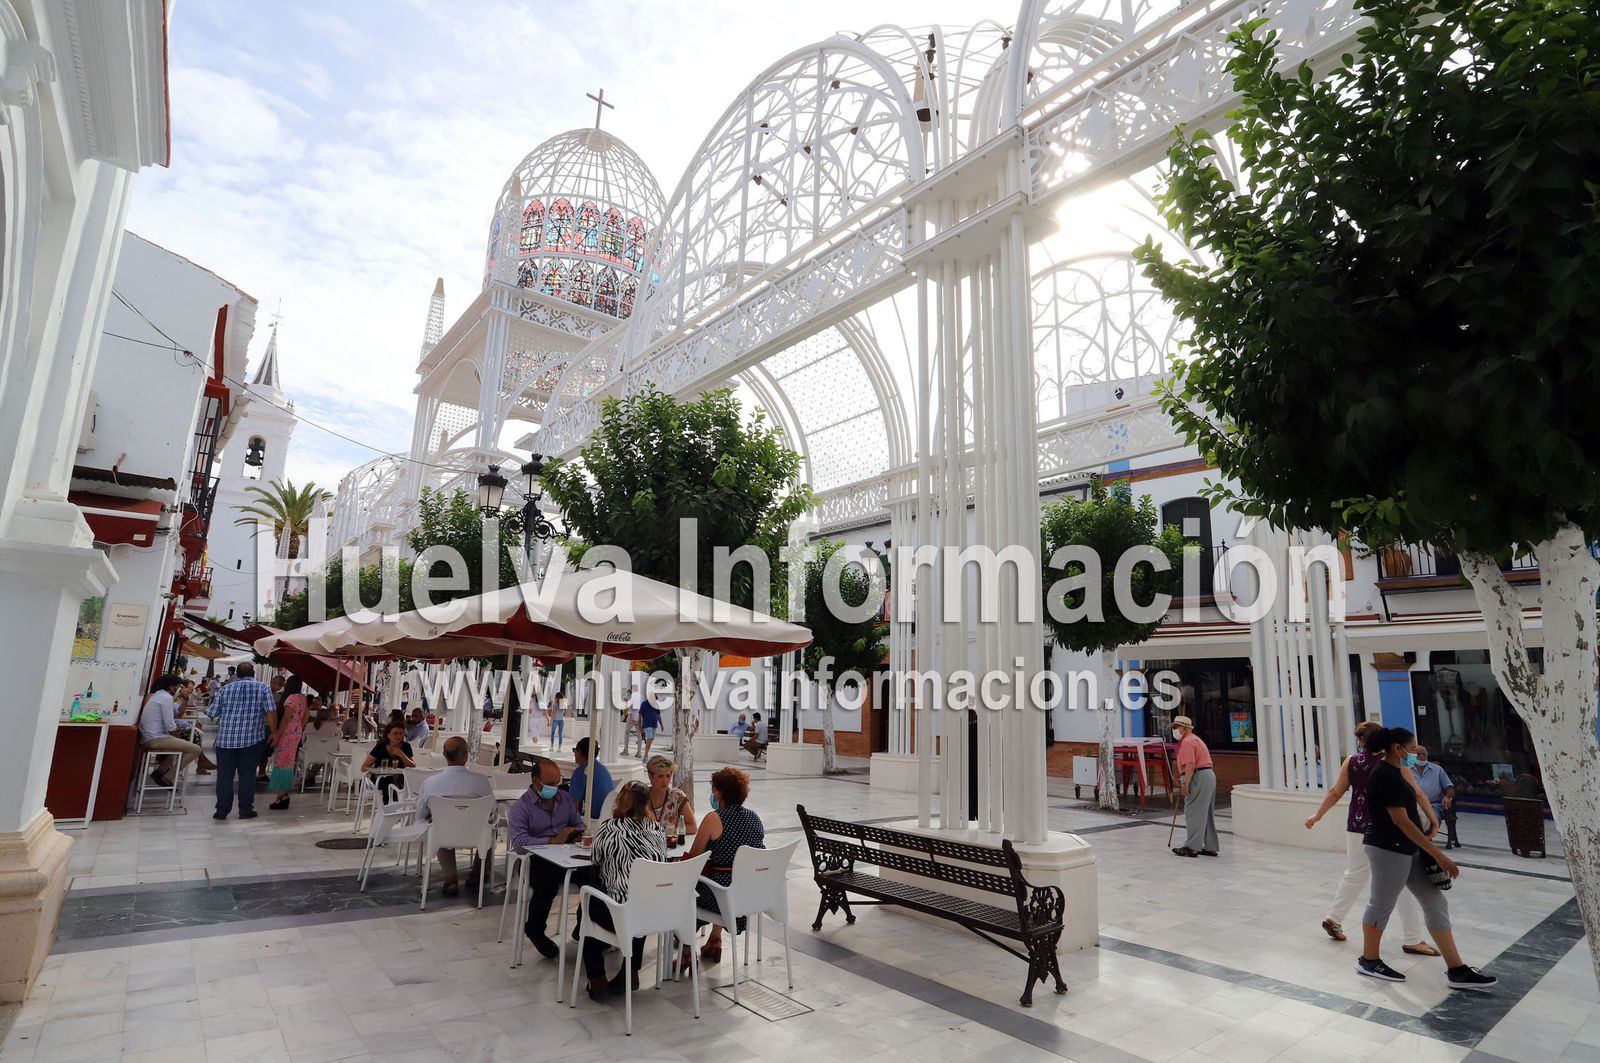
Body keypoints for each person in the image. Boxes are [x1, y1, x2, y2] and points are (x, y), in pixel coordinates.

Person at [1356, 727, 1496, 990]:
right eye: (1411, 749)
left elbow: (1413, 807)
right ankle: (1369, 959)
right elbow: (1401, 821)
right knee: (1381, 903)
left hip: (1408, 847)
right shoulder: (1385, 775)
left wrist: (1430, 824)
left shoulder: (1398, 771)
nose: (1415, 753)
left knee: (1435, 902)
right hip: (1388, 848)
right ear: (1397, 748)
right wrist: (1438, 854)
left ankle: (1457, 969)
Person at [1304, 721, 1438, 956]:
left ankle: (1334, 918)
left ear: (1361, 741)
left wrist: (1318, 815)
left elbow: (1336, 792)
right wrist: (1432, 818)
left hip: (1356, 826)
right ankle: (1412, 937)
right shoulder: (1392, 762)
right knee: (1401, 882)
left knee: (1355, 873)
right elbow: (1416, 790)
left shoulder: (1352, 761)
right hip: (1386, 829)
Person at [581, 780, 668, 1000]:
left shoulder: (609, 828)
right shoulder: (658, 830)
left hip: (617, 915)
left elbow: (595, 860)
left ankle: (597, 978)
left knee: (587, 906)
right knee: (639, 897)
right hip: (652, 915)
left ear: (619, 802)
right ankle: (631, 970)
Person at [507, 757, 587, 958]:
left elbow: (579, 824)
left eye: (558, 783)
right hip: (535, 860)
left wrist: (575, 833)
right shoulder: (521, 808)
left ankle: (585, 925)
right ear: (536, 782)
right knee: (547, 882)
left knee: (594, 875)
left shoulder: (564, 799)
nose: (555, 788)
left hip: (567, 856)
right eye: (550, 784)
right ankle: (535, 928)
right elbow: (519, 843)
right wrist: (553, 840)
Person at [686, 766, 764, 963]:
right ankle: (715, 940)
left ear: (719, 793)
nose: (712, 793)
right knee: (724, 876)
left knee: (685, 891)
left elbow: (694, 858)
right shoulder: (754, 817)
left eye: (713, 788)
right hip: (748, 893)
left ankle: (686, 949)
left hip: (721, 895)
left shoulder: (714, 819)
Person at [415, 735, 495, 896]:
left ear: (444, 755)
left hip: (443, 835)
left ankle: (451, 879)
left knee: (438, 824)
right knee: (490, 829)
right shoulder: (481, 782)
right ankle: (479, 874)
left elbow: (421, 814)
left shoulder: (431, 783)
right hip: (476, 834)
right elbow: (492, 810)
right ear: (466, 755)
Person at [205, 662, 277, 820]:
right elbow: (271, 711)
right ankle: (245, 810)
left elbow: (212, 712)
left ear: (236, 673)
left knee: (224, 776)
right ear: (253, 674)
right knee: (247, 775)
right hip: (252, 739)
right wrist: (274, 732)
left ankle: (221, 811)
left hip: (225, 740)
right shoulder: (263, 688)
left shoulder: (225, 689)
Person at [138, 675, 202, 789]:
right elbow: (170, 725)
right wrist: (176, 737)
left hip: (150, 736)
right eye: (178, 686)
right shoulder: (166, 698)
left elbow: (178, 713)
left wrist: (185, 699)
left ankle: (159, 773)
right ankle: (167, 777)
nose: (180, 689)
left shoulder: (161, 696)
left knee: (181, 746)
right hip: (154, 738)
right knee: (195, 749)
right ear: (171, 687)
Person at [1170, 715, 1218, 857]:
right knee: (1206, 812)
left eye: (1176, 727)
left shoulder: (1187, 742)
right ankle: (1210, 846)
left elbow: (1190, 764)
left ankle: (1191, 847)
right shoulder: (1195, 739)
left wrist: (1186, 783)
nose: (1174, 730)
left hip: (1198, 776)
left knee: (1193, 811)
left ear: (1184, 728)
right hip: (1207, 775)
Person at [266, 677, 311, 811]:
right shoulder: (302, 698)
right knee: (289, 761)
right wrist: (299, 726)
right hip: (296, 732)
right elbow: (306, 715)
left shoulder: (290, 699)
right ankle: (284, 794)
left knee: (282, 762)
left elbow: (285, 720)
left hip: (287, 732)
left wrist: (276, 736)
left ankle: (281, 795)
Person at [1412, 745, 1459, 849]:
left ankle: (1424, 841)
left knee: (1429, 819)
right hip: (1414, 804)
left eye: (1424, 754)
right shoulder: (1407, 770)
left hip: (1433, 805)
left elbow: (1449, 787)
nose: (1421, 757)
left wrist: (1447, 796)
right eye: (1418, 754)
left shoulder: (1437, 770)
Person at [644, 755, 696, 847]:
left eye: (668, 776)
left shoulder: (677, 797)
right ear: (650, 776)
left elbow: (693, 827)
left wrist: (670, 831)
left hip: (670, 847)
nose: (665, 781)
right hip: (646, 846)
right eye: (660, 776)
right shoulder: (641, 797)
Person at [361, 721, 414, 802]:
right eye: (395, 733)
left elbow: (412, 766)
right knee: (389, 781)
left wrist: (402, 755)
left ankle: (389, 809)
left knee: (392, 781)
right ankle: (390, 808)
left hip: (399, 779)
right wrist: (377, 771)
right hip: (380, 778)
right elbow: (364, 767)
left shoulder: (406, 746)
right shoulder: (380, 746)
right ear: (388, 735)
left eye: (401, 733)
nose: (398, 736)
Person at [571, 737, 613, 816]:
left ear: (579, 752)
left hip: (589, 818)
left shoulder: (580, 773)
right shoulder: (603, 769)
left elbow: (573, 806)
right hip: (605, 816)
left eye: (575, 750)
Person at [639, 694, 662, 761]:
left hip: (654, 725)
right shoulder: (644, 704)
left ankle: (646, 754)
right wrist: (639, 726)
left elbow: (658, 715)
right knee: (650, 738)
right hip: (647, 724)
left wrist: (662, 724)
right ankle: (645, 755)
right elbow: (640, 715)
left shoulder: (656, 704)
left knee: (650, 740)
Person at [622, 690, 644, 757]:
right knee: (639, 735)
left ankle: (626, 750)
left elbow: (629, 707)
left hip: (632, 717)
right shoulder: (642, 697)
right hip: (640, 718)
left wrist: (630, 716)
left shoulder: (631, 696)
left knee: (626, 732)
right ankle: (639, 752)